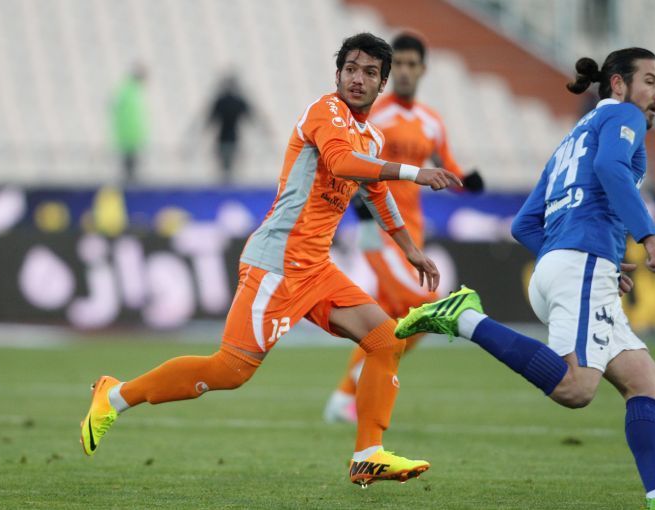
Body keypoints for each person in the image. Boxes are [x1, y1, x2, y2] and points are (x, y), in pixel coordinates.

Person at [80, 32, 463, 487]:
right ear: (338, 74)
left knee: (384, 340)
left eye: (369, 73)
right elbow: (342, 163)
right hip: (277, 263)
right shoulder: (324, 112)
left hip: (316, 268)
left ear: (382, 84)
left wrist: (410, 249)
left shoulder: (372, 136)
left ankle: (367, 455)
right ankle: (115, 396)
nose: (358, 79)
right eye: (351, 69)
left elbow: (376, 193)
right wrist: (416, 172)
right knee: (229, 370)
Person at [394, 48, 655, 509]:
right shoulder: (624, 116)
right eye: (651, 81)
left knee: (644, 380)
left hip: (563, 266)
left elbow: (524, 224)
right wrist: (650, 237)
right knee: (576, 388)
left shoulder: (572, 138)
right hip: (579, 267)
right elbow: (610, 169)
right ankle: (466, 318)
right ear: (618, 85)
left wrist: (586, 257)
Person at [323, 32, 483, 423]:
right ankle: (359, 383)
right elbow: (353, 164)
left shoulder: (432, 122)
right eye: (401, 65)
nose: (406, 72)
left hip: (411, 233)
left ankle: (345, 396)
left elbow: (446, 168)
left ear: (423, 69)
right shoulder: (376, 115)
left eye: (413, 65)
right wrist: (361, 210)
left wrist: (467, 183)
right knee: (426, 307)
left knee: (391, 322)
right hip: (378, 231)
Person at [206, 74, 255, 183]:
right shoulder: (236, 101)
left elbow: (210, 120)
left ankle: (226, 182)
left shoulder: (221, 101)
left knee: (226, 168)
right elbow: (251, 117)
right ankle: (227, 182)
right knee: (229, 168)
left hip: (224, 138)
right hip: (232, 138)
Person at [111, 64, 148, 183]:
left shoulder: (131, 91)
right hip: (129, 138)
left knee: (131, 171)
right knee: (129, 172)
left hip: (131, 138)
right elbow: (127, 117)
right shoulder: (128, 92)